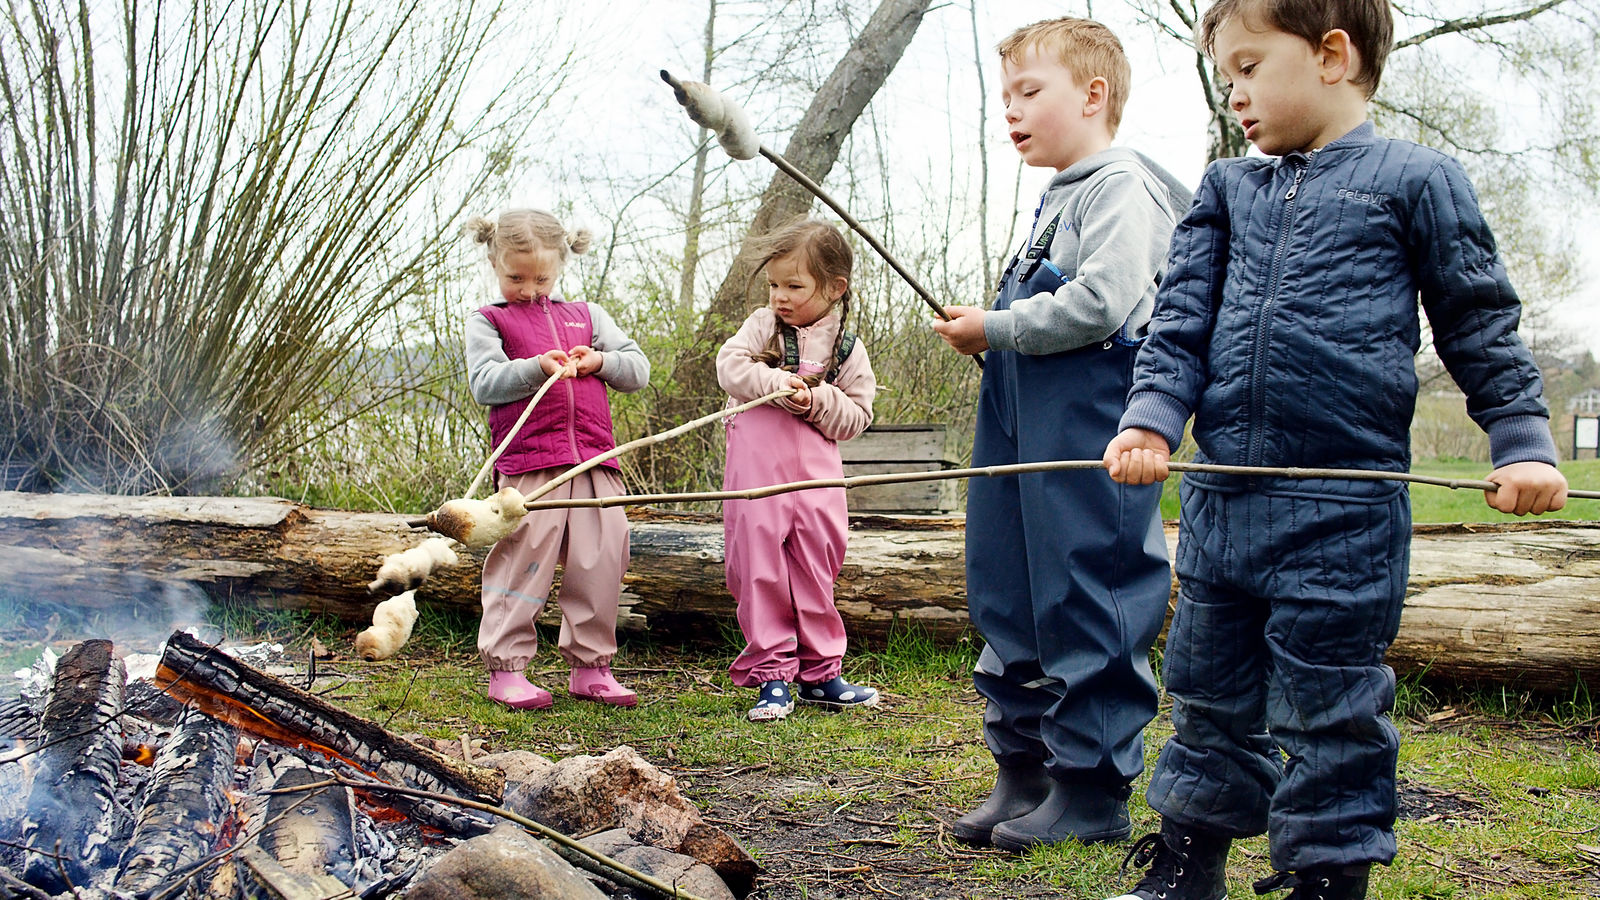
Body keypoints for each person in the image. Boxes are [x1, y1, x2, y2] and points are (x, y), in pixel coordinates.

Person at [1101, 0, 1569, 897]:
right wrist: (1151, 419)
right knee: (1205, 692)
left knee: (1331, 711)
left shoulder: (1416, 178)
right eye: (1225, 74)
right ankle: (1186, 863)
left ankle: (1326, 878)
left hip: (1344, 514)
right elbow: (1182, 322)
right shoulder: (1227, 188)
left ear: (1329, 54)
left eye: (1247, 66)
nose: (1233, 92)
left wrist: (1522, 442)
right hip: (1223, 505)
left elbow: (1478, 319)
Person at [929, 17, 1193, 851]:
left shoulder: (1121, 186)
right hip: (1017, 415)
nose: (1011, 110)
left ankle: (1091, 784)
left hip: (1092, 419)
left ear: (1093, 94)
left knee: (1089, 587)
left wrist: (999, 326)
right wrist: (994, 338)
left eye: (1029, 92)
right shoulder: (1058, 192)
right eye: (1004, 96)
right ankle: (1024, 766)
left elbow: (1104, 302)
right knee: (1005, 581)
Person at [463, 208, 651, 711]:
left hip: (595, 461)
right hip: (530, 467)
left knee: (602, 559)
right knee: (523, 564)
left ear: (560, 266)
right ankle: (506, 668)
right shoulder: (489, 320)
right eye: (515, 277)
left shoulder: (587, 316)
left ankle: (591, 666)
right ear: (494, 264)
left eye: (541, 277)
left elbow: (637, 369)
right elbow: (485, 383)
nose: (528, 289)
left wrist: (600, 361)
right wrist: (532, 368)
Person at [716, 218, 880, 723]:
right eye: (773, 284)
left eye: (794, 286)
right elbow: (730, 365)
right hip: (756, 479)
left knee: (817, 565)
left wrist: (817, 398)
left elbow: (857, 416)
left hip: (817, 480)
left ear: (835, 288)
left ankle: (821, 674)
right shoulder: (763, 327)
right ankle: (772, 677)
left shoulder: (847, 349)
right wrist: (773, 380)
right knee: (758, 565)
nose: (780, 296)